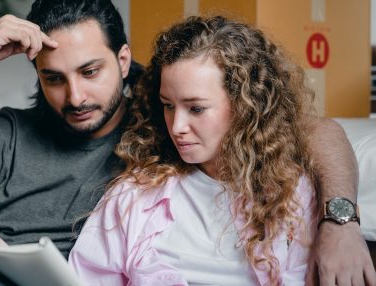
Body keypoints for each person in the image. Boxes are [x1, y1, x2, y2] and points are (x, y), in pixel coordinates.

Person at [0, 0, 371, 285]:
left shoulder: (159, 110)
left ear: (123, 58)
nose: (75, 96)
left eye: (90, 71)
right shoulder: (12, 130)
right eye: (53, 78)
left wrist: (341, 220)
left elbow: (311, 129)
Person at [68, 15, 376, 286]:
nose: (177, 126)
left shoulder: (295, 198)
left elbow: (326, 131)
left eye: (196, 109)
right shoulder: (133, 197)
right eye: (168, 106)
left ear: (245, 106)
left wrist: (341, 226)